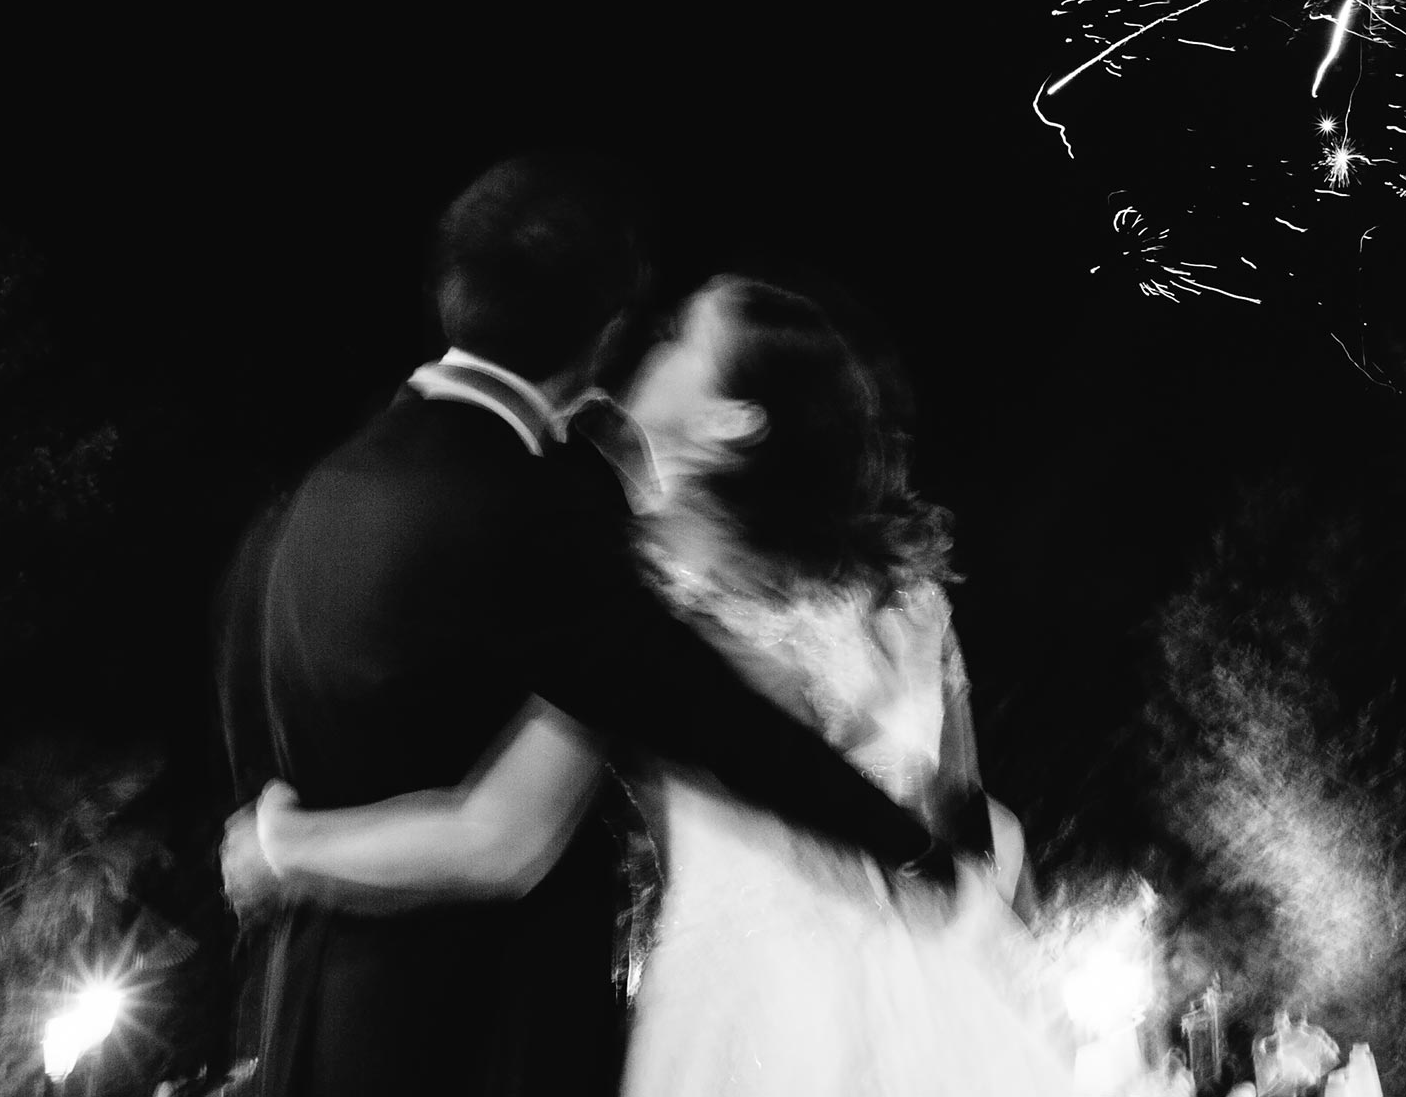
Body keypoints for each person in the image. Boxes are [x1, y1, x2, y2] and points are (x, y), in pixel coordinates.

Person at [214, 160, 967, 1097]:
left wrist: (278, 843)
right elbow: (543, 815)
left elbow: (269, 746)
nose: (652, 348)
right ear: (602, 330)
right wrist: (909, 844)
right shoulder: (551, 516)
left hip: (317, 1029)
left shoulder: (299, 512)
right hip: (484, 1036)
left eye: (680, 338)